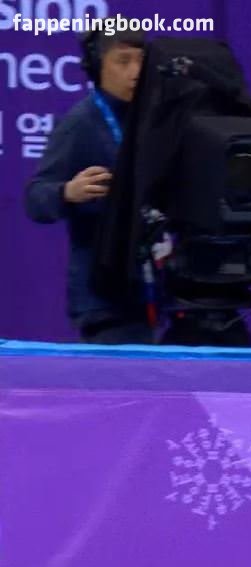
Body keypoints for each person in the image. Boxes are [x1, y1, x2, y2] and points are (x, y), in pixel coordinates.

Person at [24, 29, 151, 344]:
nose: (135, 71)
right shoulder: (81, 123)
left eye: (141, 61)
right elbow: (35, 198)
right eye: (123, 61)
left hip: (151, 288)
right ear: (98, 66)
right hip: (104, 299)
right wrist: (67, 192)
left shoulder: (150, 119)